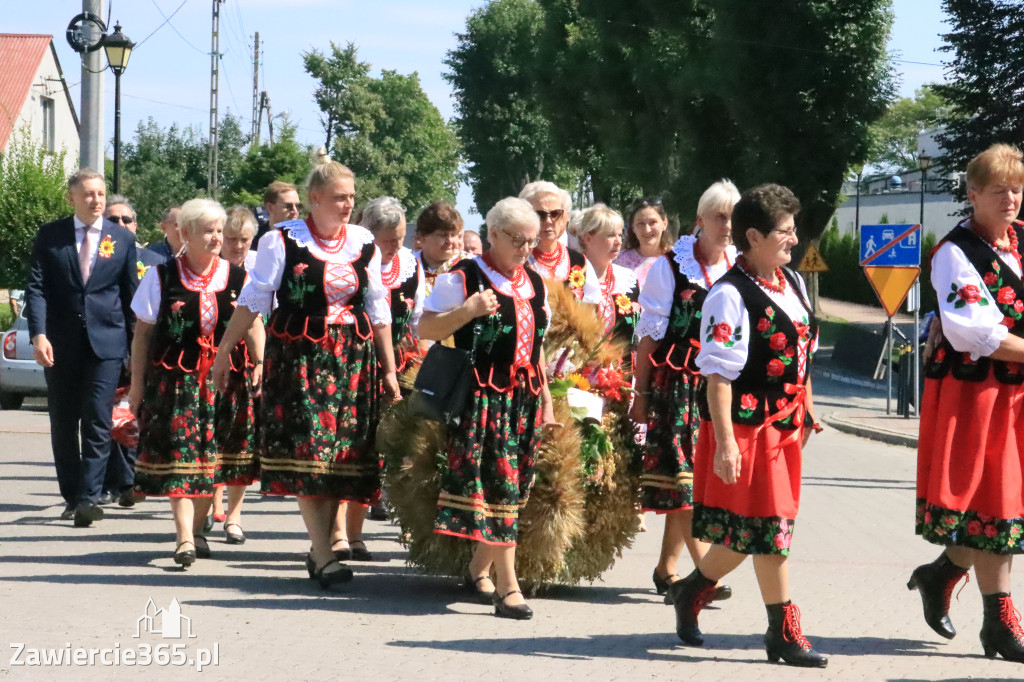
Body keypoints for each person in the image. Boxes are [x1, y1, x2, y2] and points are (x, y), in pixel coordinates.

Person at [212, 152, 399, 588]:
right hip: (298, 358)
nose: (348, 204)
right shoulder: (282, 240)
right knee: (308, 453)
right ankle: (321, 549)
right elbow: (254, 301)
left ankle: (327, 543)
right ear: (315, 198)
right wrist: (224, 353)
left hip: (351, 359)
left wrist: (389, 370)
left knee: (339, 458)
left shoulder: (363, 243)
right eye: (338, 197)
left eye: (351, 196)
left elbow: (379, 309)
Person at [670, 184, 826, 668]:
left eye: (794, 229)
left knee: (751, 532)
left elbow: (803, 357)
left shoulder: (791, 284)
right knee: (771, 528)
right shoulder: (728, 294)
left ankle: (692, 588)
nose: (794, 240)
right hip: (745, 427)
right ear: (753, 236)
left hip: (784, 425)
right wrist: (725, 445)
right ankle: (782, 629)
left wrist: (809, 408)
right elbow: (717, 373)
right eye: (785, 231)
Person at [418, 196, 555, 620]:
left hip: (524, 399)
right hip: (483, 399)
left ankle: (479, 567)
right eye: (518, 239)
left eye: (532, 241)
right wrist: (467, 311)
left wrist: (547, 401)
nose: (526, 249)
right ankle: (508, 588)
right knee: (503, 488)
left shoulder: (534, 281)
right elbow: (425, 328)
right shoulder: (464, 276)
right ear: (492, 233)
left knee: (516, 488)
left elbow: (537, 349)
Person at [913, 143, 1024, 662]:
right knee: (995, 509)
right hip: (979, 394)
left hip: (1015, 391)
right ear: (973, 193)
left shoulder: (1020, 242)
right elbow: (971, 332)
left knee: (1001, 509)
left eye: (1017, 189)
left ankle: (942, 574)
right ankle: (998, 622)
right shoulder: (955, 253)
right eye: (999, 190)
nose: (1010, 199)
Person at [630, 180, 739, 603]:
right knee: (684, 479)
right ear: (700, 221)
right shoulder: (669, 267)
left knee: (696, 480)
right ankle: (705, 573)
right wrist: (639, 395)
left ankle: (666, 570)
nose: (728, 226)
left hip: (722, 386)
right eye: (720, 217)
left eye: (734, 217)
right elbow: (648, 337)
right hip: (678, 383)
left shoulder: (738, 265)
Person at [129, 198, 254, 566]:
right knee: (181, 459)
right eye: (208, 231)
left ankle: (198, 529)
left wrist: (260, 362)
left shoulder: (236, 277)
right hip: (177, 382)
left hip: (225, 383)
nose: (217, 238)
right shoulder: (161, 276)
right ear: (185, 234)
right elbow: (142, 336)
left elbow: (253, 323)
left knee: (211, 463)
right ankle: (183, 537)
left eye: (219, 230)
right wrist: (136, 387)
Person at [24, 168, 139, 527]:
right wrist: (38, 334)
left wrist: (136, 347)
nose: (96, 200)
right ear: (71, 197)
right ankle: (72, 495)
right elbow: (37, 288)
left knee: (97, 418)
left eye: (101, 194)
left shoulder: (120, 238)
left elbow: (129, 294)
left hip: (107, 341)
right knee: (63, 420)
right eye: (88, 194)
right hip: (61, 343)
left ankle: (90, 497)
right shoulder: (51, 236)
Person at [326, 196, 424, 559]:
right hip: (352, 361)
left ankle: (356, 533)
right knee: (346, 448)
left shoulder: (411, 265)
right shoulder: (352, 261)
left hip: (397, 363)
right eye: (388, 239)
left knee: (379, 453)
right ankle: (336, 532)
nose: (395, 245)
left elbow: (418, 322)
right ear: (369, 235)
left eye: (399, 237)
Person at [204, 206, 264, 543]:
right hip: (210, 362)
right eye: (231, 239)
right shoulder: (210, 271)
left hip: (246, 362)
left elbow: (261, 321)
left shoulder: (258, 272)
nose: (237, 245)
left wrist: (259, 361)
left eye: (244, 239)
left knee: (242, 438)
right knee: (211, 434)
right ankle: (213, 504)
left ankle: (235, 515)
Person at [101, 196, 164, 507]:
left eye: (126, 220)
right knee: (107, 418)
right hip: (105, 345)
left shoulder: (155, 262)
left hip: (146, 349)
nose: (121, 226)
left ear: (136, 225)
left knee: (137, 415)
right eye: (113, 220)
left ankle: (135, 478)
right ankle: (114, 482)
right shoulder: (95, 260)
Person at [519, 181, 600, 304]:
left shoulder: (580, 261)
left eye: (555, 214)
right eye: (539, 215)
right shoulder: (517, 260)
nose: (548, 220)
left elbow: (592, 308)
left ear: (564, 217)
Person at [578, 204, 640, 342]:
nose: (618, 242)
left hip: (623, 361)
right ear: (588, 238)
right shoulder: (573, 278)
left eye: (620, 235)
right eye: (611, 235)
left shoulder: (627, 279)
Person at [615, 197, 674, 287]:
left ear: (664, 224)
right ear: (633, 227)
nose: (647, 230)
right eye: (640, 224)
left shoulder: (677, 260)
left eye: (653, 222)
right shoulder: (619, 261)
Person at [414, 200, 464, 294]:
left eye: (453, 235)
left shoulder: (468, 266)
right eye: (442, 235)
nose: (449, 241)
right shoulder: (408, 266)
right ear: (422, 236)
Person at [253, 181, 302, 247]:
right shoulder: (253, 239)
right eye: (288, 206)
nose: (295, 211)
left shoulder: (305, 240)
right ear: (270, 207)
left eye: (298, 206)